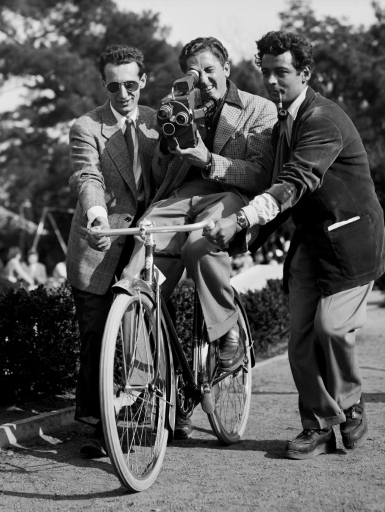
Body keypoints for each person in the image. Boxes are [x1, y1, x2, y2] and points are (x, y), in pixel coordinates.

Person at [205, 31, 385, 459]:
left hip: (352, 244)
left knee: (331, 328)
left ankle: (351, 403)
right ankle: (318, 425)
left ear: (304, 73)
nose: (271, 81)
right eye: (265, 72)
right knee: (301, 341)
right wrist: (242, 237)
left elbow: (295, 183)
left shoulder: (323, 119)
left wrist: (241, 218)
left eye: (281, 72)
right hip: (310, 245)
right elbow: (281, 194)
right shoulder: (283, 121)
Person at [119, 36, 277, 439]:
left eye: (209, 70)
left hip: (231, 198)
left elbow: (262, 175)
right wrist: (167, 141)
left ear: (226, 67)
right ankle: (142, 385)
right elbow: (160, 178)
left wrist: (209, 160)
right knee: (145, 246)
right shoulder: (180, 106)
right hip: (181, 199)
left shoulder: (260, 110)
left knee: (201, 243)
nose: (203, 79)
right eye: (193, 73)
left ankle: (228, 336)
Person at [66, 44, 160, 457]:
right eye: (112, 85)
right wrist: (97, 217)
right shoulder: (86, 126)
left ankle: (153, 415)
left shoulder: (163, 122)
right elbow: (88, 174)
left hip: (148, 244)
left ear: (143, 81)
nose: (122, 94)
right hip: (99, 244)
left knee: (147, 334)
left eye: (130, 84)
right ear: (104, 84)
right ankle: (94, 426)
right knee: (96, 338)